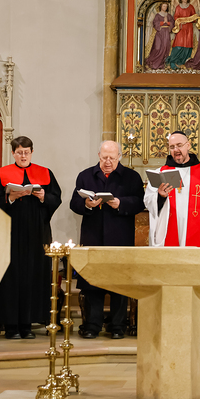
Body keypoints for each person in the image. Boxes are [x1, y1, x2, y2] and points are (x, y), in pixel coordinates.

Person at [0, 136, 62, 340]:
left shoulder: (45, 173)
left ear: (32, 152)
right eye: (19, 152)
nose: (23, 156)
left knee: (33, 275)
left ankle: (27, 325)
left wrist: (43, 197)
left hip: (37, 232)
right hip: (11, 232)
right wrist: (11, 198)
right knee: (11, 277)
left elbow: (56, 198)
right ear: (13, 153)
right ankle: (11, 326)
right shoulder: (3, 173)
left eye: (26, 152)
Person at [70, 140, 145, 339]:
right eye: (104, 158)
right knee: (92, 284)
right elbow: (74, 203)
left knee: (119, 284)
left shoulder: (131, 177)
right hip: (93, 237)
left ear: (119, 156)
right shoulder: (86, 175)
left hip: (120, 238)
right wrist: (87, 204)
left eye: (112, 157)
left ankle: (117, 326)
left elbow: (140, 202)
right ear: (99, 156)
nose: (108, 161)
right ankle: (92, 326)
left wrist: (120, 203)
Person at [144, 132, 200, 247]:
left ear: (188, 145)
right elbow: (148, 202)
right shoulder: (160, 173)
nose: (176, 150)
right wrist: (160, 196)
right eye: (172, 147)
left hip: (199, 236)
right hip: (167, 234)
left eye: (179, 145)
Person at [167, 0, 198, 70]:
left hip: (189, 27)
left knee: (187, 44)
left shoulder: (191, 7)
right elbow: (176, 17)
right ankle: (174, 61)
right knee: (179, 43)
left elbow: (194, 17)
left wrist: (189, 20)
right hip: (181, 27)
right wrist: (181, 21)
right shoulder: (178, 7)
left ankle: (183, 62)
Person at [145, 1, 173, 69]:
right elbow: (155, 23)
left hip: (166, 32)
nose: (165, 7)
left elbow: (172, 23)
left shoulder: (168, 15)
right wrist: (163, 22)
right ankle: (152, 62)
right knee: (157, 47)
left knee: (165, 47)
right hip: (159, 33)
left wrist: (168, 23)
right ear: (161, 7)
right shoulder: (158, 15)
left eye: (166, 6)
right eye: (164, 6)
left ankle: (161, 63)